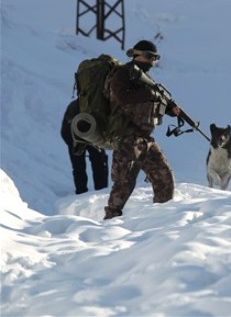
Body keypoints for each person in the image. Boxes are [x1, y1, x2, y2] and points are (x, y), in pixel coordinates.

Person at [103, 40, 181, 220]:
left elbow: (152, 104)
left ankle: (161, 219)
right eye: (149, 57)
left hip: (145, 139)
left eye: (155, 58)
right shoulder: (122, 74)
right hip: (126, 138)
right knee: (123, 183)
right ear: (136, 55)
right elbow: (123, 98)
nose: (152, 62)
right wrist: (151, 94)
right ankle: (109, 226)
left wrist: (170, 108)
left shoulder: (145, 80)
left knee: (164, 179)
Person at [61, 98, 109, 194]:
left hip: (90, 135)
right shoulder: (77, 108)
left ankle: (97, 191)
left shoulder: (97, 107)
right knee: (84, 165)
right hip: (75, 135)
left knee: (94, 163)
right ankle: (97, 192)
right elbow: (65, 132)